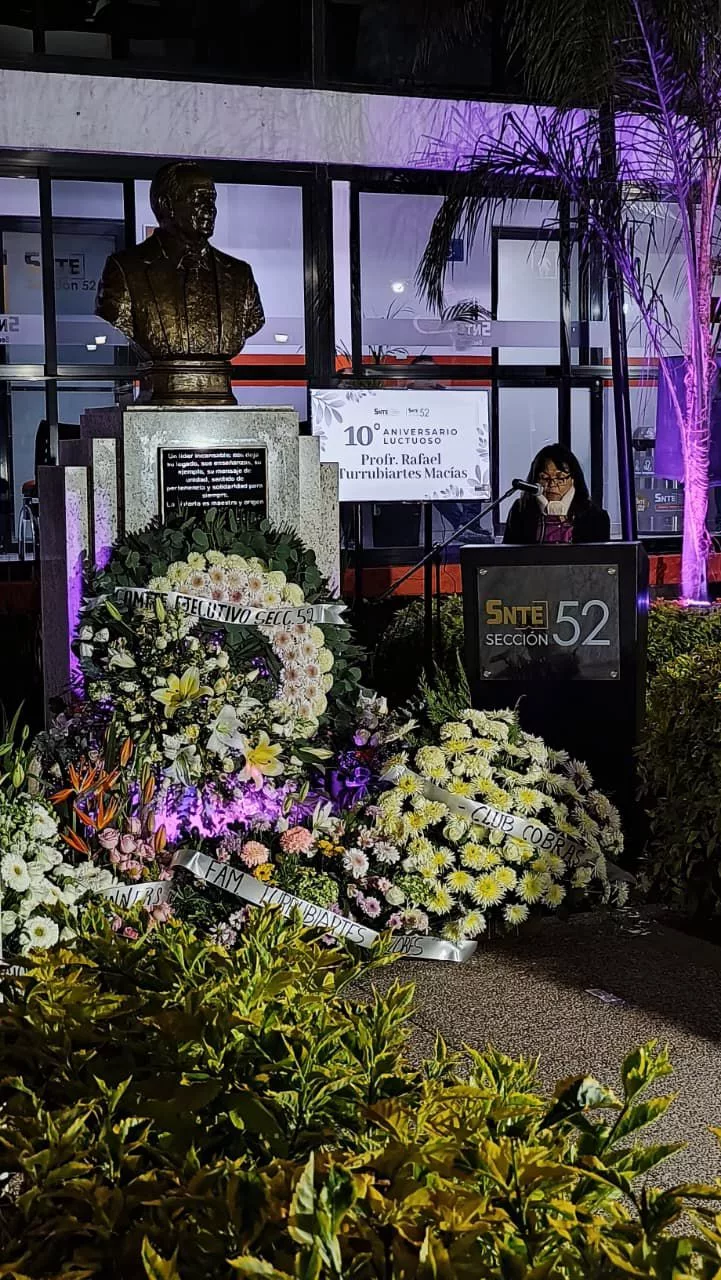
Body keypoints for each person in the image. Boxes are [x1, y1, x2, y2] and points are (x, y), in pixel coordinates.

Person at [96, 161, 264, 403]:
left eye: (212, 199)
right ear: (167, 205)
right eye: (198, 199)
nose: (210, 209)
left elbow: (252, 322)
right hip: (159, 394)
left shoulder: (239, 275)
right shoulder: (125, 269)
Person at [503, 444, 610, 544]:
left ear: (573, 479)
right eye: (544, 478)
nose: (552, 484)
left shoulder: (596, 517)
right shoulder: (520, 511)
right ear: (535, 480)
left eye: (560, 478)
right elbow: (508, 555)